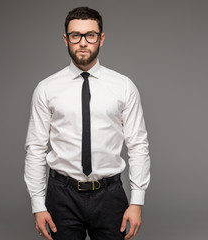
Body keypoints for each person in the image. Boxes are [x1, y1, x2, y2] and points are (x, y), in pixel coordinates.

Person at [24, 6, 150, 240]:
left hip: (110, 195)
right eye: (76, 36)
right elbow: (35, 148)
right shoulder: (46, 88)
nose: (83, 42)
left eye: (90, 35)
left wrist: (137, 201)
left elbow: (138, 145)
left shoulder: (123, 86)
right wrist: (38, 204)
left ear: (101, 39)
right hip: (61, 196)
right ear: (66, 40)